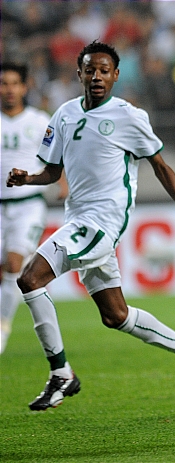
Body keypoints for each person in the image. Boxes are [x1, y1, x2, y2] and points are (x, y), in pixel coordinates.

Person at [6, 41, 175, 411]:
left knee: (29, 278)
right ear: (79, 74)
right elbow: (53, 172)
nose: (97, 77)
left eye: (104, 71)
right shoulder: (64, 115)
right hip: (78, 219)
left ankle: (61, 373)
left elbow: (161, 166)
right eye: (90, 70)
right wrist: (28, 178)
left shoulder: (129, 116)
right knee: (116, 315)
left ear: (116, 75)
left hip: (103, 223)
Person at [0, 63, 66, 354]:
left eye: (14, 83)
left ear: (24, 87)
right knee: (5, 271)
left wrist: (63, 183)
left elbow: (57, 156)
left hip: (28, 204)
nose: (9, 89)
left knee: (15, 264)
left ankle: (1, 328)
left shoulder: (39, 121)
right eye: (4, 83)